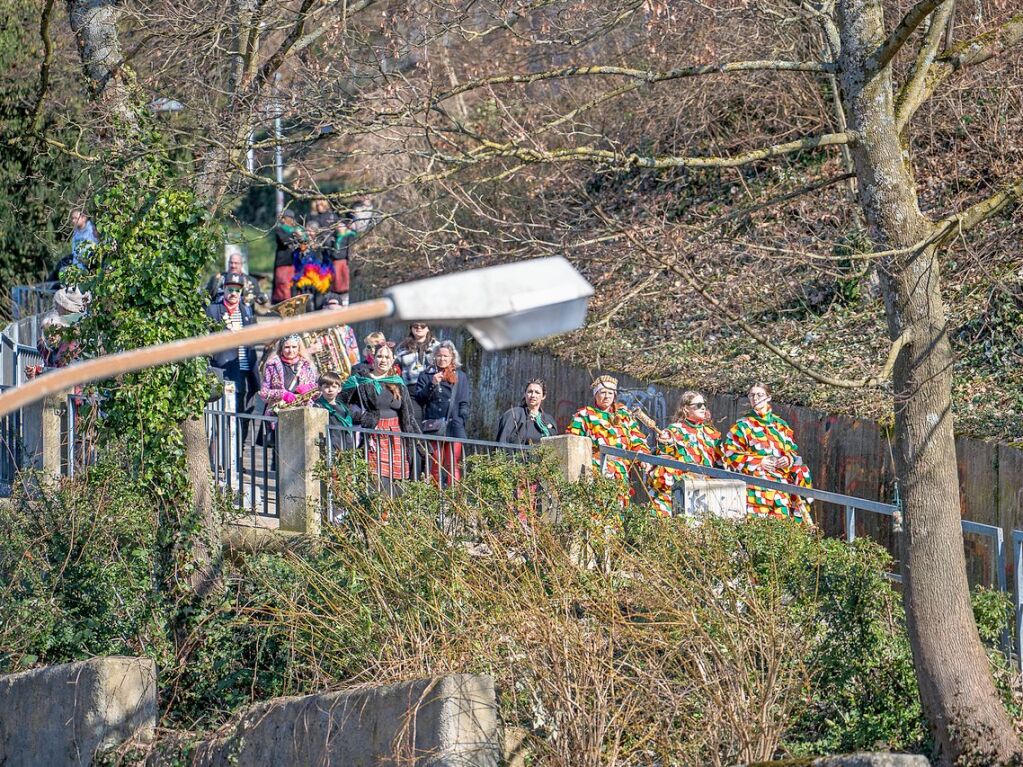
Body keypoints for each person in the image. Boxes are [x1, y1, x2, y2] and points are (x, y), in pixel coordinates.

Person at [722, 382, 814, 523]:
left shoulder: (781, 425)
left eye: (760, 394)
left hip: (782, 486)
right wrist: (759, 462)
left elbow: (792, 452)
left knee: (783, 525)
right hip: (756, 486)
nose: (755, 398)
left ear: (768, 397)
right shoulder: (742, 426)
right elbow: (730, 454)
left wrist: (788, 459)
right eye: (752, 395)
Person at [341, 343, 421, 496]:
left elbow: (408, 415)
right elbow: (343, 402)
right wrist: (363, 418)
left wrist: (420, 443)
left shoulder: (397, 382)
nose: (383, 360)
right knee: (375, 481)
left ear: (392, 360)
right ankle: (373, 516)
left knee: (398, 482)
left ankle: (392, 518)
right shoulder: (360, 381)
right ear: (373, 358)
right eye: (379, 356)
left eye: (387, 357)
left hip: (397, 436)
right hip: (374, 435)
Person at [565, 375, 649, 504]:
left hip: (621, 472)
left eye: (610, 393)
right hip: (596, 472)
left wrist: (643, 457)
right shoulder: (584, 416)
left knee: (618, 513)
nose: (607, 396)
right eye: (603, 392)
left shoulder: (624, 415)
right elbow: (573, 444)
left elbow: (637, 439)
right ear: (595, 395)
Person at [646, 391, 722, 517]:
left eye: (704, 404)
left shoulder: (711, 433)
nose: (703, 407)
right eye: (698, 405)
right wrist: (666, 443)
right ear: (686, 409)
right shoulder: (675, 430)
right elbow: (665, 457)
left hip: (706, 489)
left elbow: (720, 462)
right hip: (683, 486)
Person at [206, 273, 259, 441]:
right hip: (223, 371)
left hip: (245, 372)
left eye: (237, 290)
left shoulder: (247, 310)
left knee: (243, 416)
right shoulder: (213, 310)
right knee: (222, 418)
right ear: (224, 289)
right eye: (230, 289)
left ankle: (239, 456)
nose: (233, 293)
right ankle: (224, 461)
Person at [414, 340, 471, 485]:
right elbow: (420, 399)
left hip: (454, 425)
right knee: (435, 464)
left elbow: (464, 401)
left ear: (452, 358)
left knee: (453, 465)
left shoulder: (460, 376)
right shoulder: (426, 375)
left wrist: (462, 419)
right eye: (439, 356)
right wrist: (432, 384)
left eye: (446, 356)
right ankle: (434, 499)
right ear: (434, 357)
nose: (442, 359)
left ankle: (455, 502)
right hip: (434, 425)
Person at [259, 335, 318, 413]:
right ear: (281, 348)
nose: (291, 350)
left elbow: (318, 391)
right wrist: (282, 395)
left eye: (294, 347)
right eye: (287, 347)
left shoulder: (307, 365)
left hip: (303, 412)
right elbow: (264, 392)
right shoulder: (272, 365)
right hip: (278, 413)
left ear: (299, 348)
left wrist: (310, 388)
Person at [305, 294, 359, 378]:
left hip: (344, 375)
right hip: (320, 376)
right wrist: (310, 350)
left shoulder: (347, 330)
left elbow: (356, 358)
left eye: (337, 311)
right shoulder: (313, 330)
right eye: (330, 310)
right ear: (323, 310)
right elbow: (299, 353)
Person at [395, 322, 439, 420]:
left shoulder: (437, 347)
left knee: (432, 424)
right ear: (411, 328)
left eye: (422, 326)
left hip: (431, 387)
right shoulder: (402, 347)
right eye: (415, 326)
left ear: (428, 328)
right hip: (411, 390)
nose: (419, 328)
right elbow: (396, 369)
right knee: (414, 421)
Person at [496, 379, 557, 445]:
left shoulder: (549, 420)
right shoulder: (513, 415)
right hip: (520, 455)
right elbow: (501, 443)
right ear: (525, 394)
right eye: (530, 392)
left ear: (543, 396)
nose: (533, 395)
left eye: (537, 392)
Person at [272, 211, 305, 303]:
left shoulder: (298, 230)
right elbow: (284, 241)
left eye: (285, 218)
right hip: (283, 262)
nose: (282, 220)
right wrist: (295, 233)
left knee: (294, 285)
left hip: (295, 263)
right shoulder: (279, 230)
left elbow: (303, 242)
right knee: (283, 285)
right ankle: (284, 305)